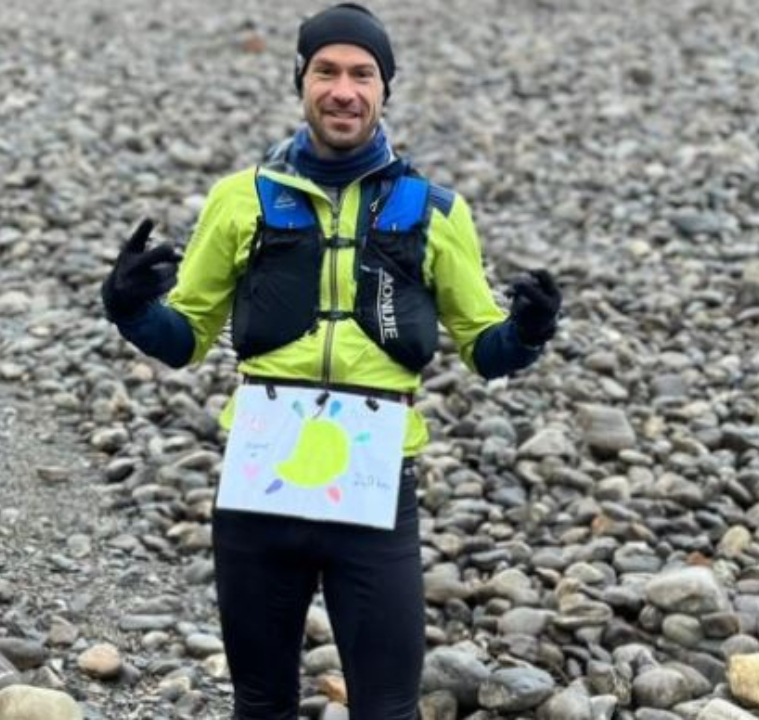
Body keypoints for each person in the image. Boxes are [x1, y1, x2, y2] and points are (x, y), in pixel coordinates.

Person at [98, 4, 561, 718]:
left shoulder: (435, 211)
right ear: (301, 81)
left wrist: (527, 331)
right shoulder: (238, 200)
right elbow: (185, 337)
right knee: (260, 703)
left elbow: (484, 350)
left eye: (361, 74)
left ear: (384, 90)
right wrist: (129, 308)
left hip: (375, 492)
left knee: (385, 708)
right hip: (260, 489)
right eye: (327, 71)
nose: (343, 89)